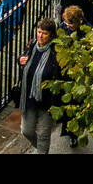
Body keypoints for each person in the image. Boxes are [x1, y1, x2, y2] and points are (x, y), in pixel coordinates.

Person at [18, 18, 62, 155]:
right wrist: (20, 60)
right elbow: (24, 60)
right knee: (26, 131)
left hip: (47, 101)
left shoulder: (56, 52)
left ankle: (42, 151)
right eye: (38, 32)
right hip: (30, 98)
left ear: (51, 35)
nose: (40, 36)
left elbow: (60, 76)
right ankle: (41, 149)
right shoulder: (32, 45)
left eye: (44, 33)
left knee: (43, 136)